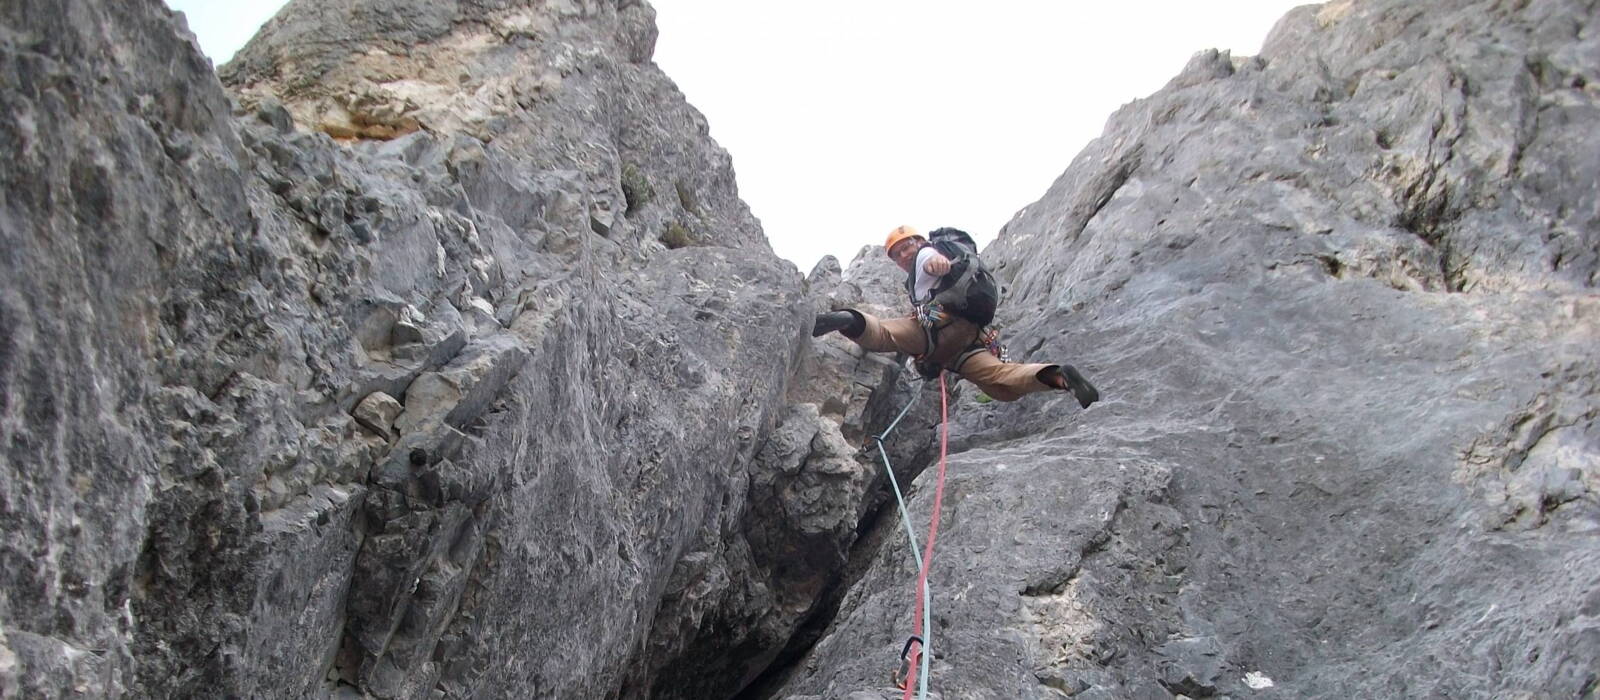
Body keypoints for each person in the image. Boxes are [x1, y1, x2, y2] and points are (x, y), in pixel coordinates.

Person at [812, 225, 1099, 406]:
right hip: (968, 341)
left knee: (884, 335)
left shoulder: (927, 255)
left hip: (936, 322)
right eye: (896, 255)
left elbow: (933, 261)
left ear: (920, 241)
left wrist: (938, 263)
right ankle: (1059, 377)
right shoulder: (938, 259)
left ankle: (846, 320)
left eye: (905, 247)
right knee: (1003, 385)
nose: (903, 256)